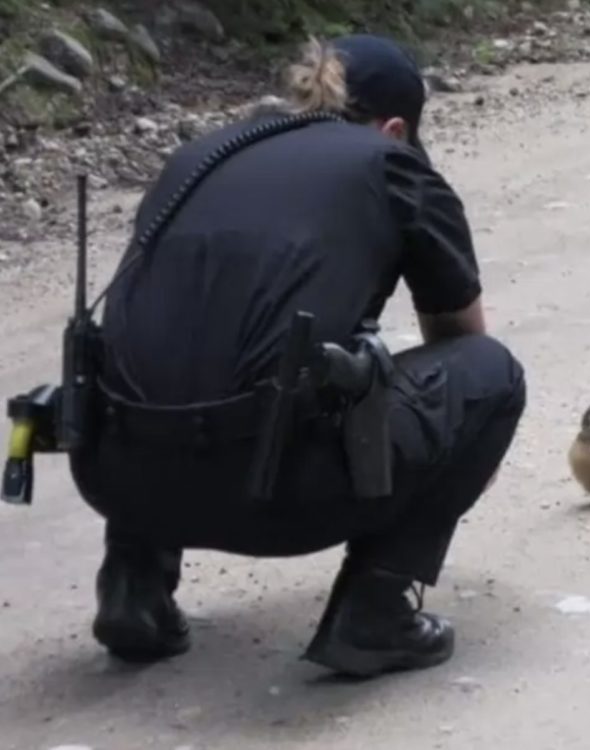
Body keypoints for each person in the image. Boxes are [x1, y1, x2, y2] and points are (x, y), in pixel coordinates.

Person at [68, 33, 527, 679]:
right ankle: (375, 612)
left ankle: (133, 590)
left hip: (116, 477)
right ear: (395, 127)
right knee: (492, 375)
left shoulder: (197, 158)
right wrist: (458, 449)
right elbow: (461, 336)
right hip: (277, 495)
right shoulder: (391, 163)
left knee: (181, 347)